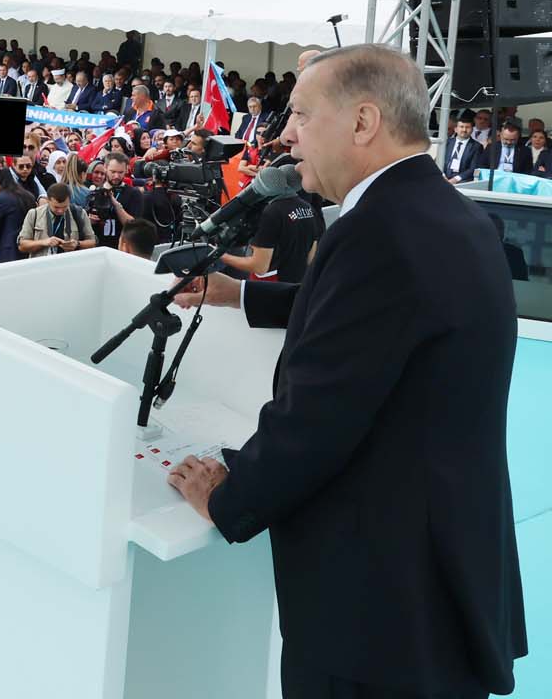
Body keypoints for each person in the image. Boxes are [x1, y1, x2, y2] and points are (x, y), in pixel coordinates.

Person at [169, 45, 524, 698]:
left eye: (301, 114)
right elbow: (381, 321)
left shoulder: (378, 235)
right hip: (442, 577)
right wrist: (238, 293)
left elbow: (318, 414)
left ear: (363, 122)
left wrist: (227, 497)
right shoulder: (450, 216)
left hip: (375, 612)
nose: (285, 135)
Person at [18, 183, 96, 258]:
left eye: (64, 207)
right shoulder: (34, 214)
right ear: (48, 200)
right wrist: (43, 242)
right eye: (56, 207)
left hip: (70, 266)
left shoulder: (80, 213)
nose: (60, 211)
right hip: (42, 266)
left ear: (69, 201)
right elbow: (22, 246)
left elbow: (92, 242)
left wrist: (78, 244)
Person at [441, 112, 481, 182]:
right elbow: (439, 162)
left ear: (472, 130)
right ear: (455, 129)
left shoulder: (476, 146)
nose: (464, 130)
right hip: (443, 179)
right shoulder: (446, 143)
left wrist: (456, 179)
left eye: (467, 127)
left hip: (462, 181)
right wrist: (443, 176)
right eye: (461, 127)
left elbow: (473, 168)